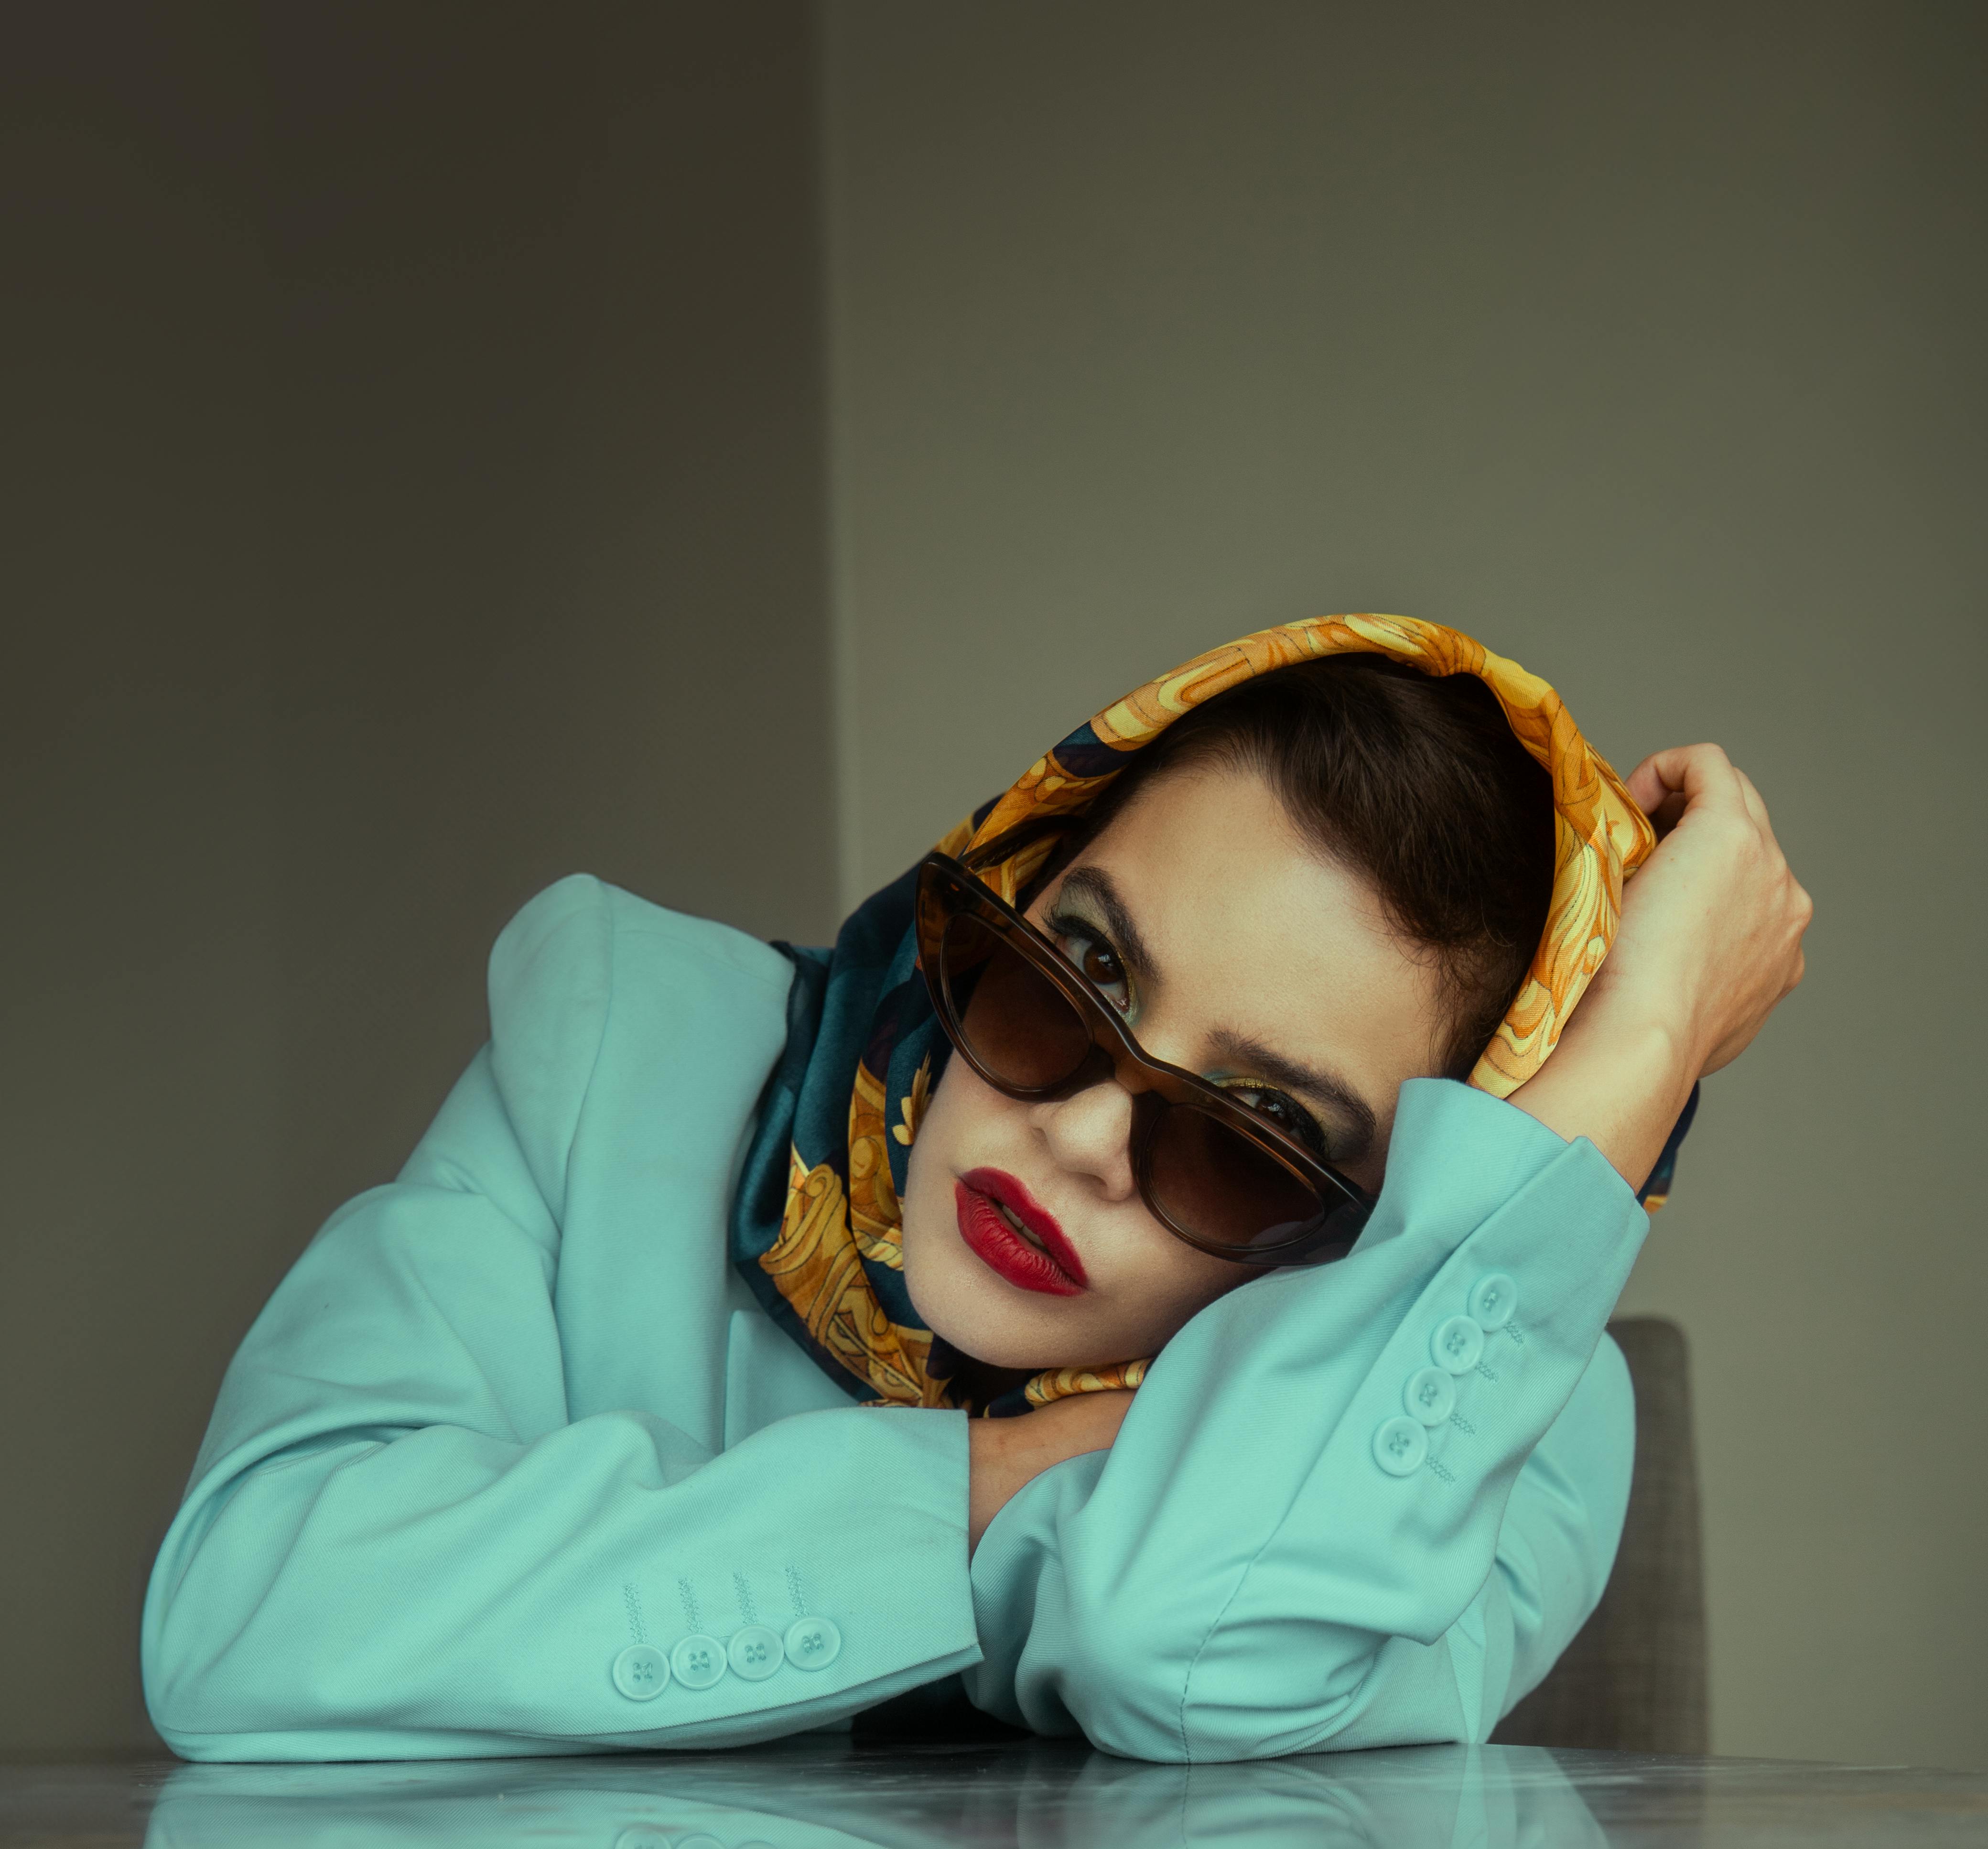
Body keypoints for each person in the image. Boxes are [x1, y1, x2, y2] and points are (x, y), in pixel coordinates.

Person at [140, 615, 1809, 1762]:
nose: (1081, 1133)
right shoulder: (624, 1057)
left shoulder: (1499, 1419)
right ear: (1017, 865)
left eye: (1248, 1138)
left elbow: (1184, 1640)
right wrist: (990, 1476)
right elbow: (250, 1611)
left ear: (1380, 1228)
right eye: (1071, 970)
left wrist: (1641, 1047)